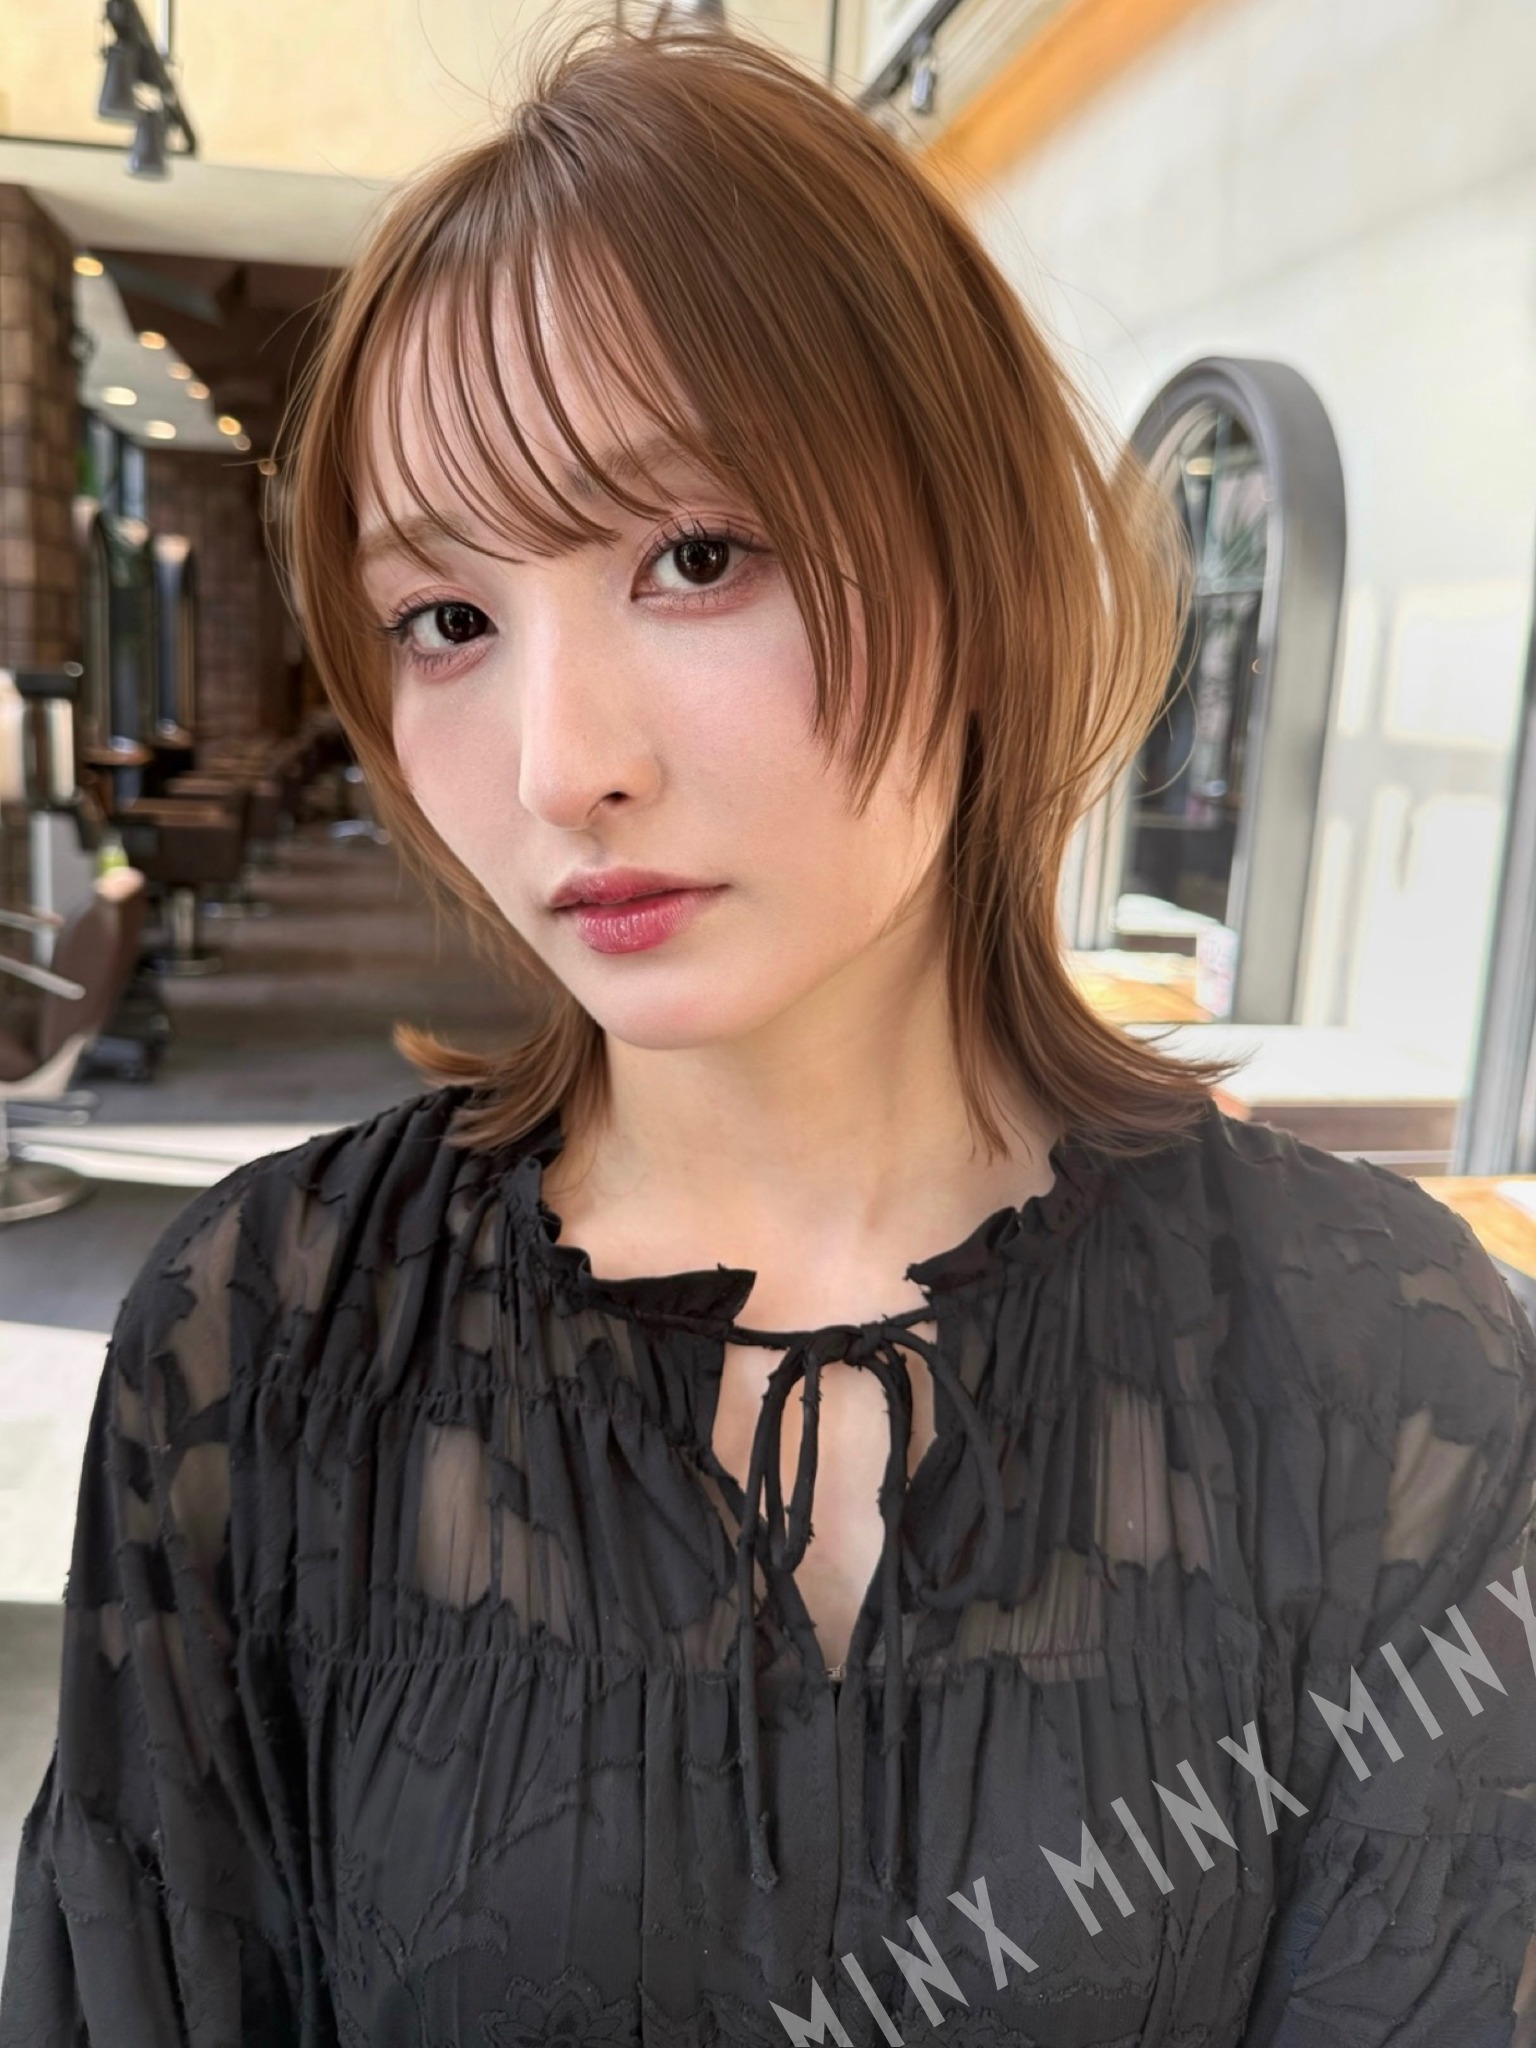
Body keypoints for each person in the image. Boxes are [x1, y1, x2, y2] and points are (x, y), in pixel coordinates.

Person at [5, 16, 1536, 2046]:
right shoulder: (265, 1342)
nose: (559, 765)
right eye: (447, 620)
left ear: (978, 563)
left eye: (697, 557)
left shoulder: (1383, 1361)